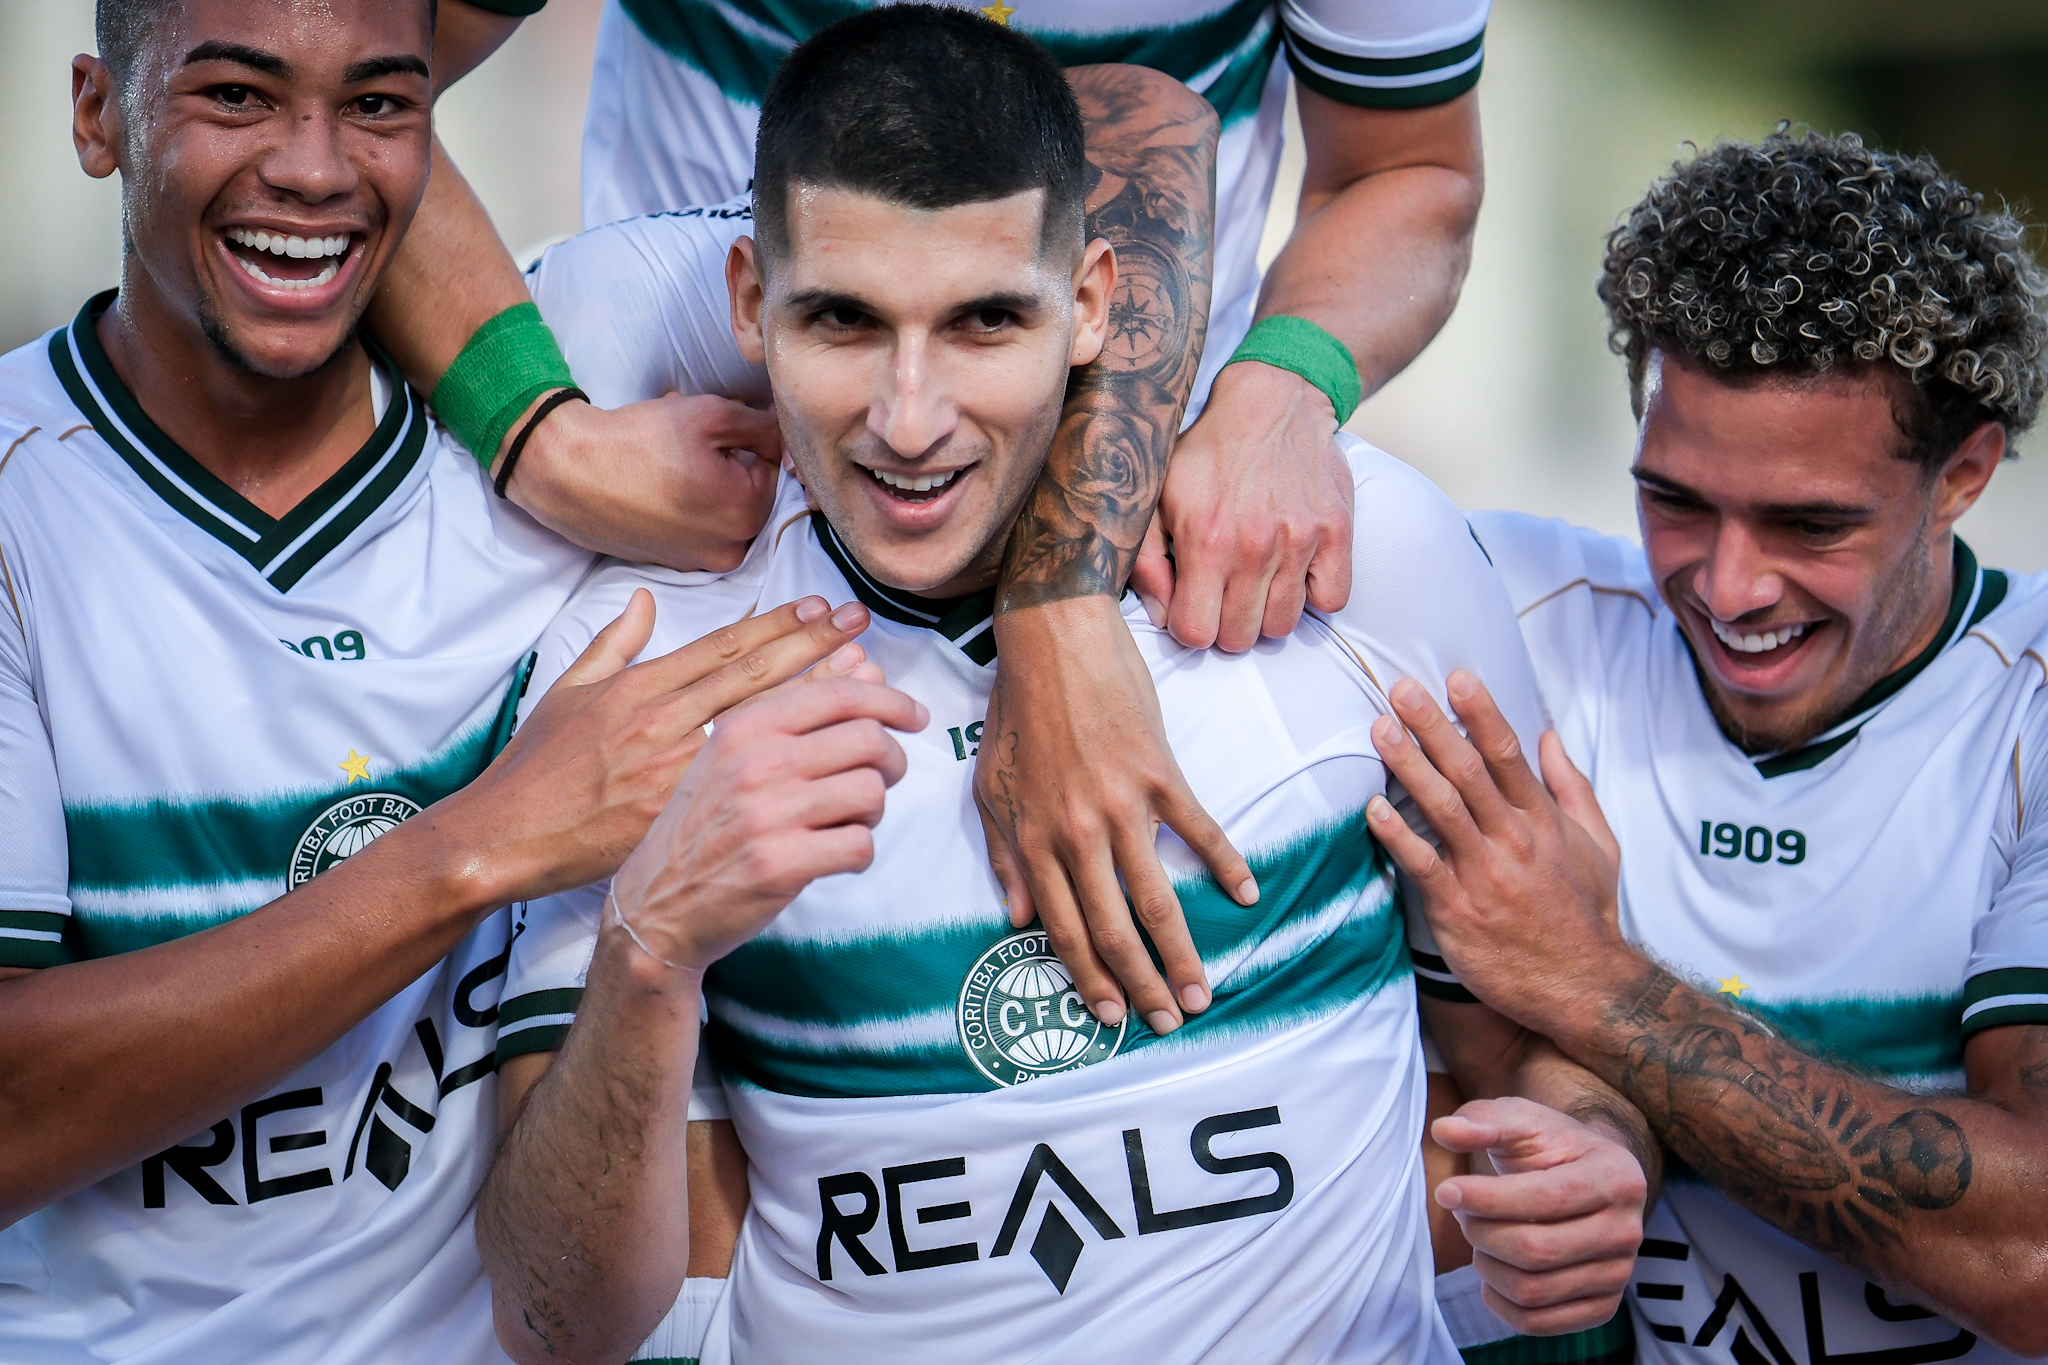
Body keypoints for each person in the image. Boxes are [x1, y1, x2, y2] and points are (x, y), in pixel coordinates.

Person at [476, 11, 1653, 1364]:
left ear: (1095, 300)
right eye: (842, 322)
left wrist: (1594, 1161)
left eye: (985, 322)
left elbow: (1550, 1052)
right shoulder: (641, 664)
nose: (909, 421)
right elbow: (554, 1321)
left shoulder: (1357, 565)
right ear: (748, 302)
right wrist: (647, 949)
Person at [0, 2, 882, 1360]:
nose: (312, 168)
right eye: (236, 97)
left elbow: (980, 286)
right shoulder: (18, 508)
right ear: (97, 116)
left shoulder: (590, 338)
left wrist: (1068, 644)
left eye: (379, 105)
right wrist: (478, 846)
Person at [357, 0, 1494, 1038]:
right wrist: (536, 435)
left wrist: (1270, 395)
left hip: (1142, 419)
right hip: (693, 445)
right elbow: (345, 79)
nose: (908, 422)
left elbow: (1386, 163)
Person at [1362, 131, 2048, 1361]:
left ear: (1962, 477)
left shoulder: (2031, 707)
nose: (1727, 587)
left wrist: (1591, 979)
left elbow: (2032, 1261)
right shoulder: (1498, 613)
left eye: (1808, 523)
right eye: (1673, 499)